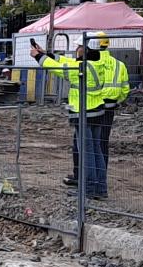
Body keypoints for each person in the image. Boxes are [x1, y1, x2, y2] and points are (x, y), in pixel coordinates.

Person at [30, 36, 109, 199]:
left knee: (86, 153)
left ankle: (87, 190)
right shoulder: (99, 63)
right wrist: (47, 53)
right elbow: (65, 61)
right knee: (96, 151)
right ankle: (100, 190)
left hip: (84, 113)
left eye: (79, 46)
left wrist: (38, 57)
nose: (76, 49)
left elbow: (57, 68)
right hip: (97, 111)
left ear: (86, 49)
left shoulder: (80, 68)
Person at [63, 31, 130, 187]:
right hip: (109, 108)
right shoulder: (119, 64)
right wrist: (113, 101)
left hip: (91, 107)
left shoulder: (92, 62)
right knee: (101, 145)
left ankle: (82, 178)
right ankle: (100, 180)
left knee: (82, 144)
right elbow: (125, 89)